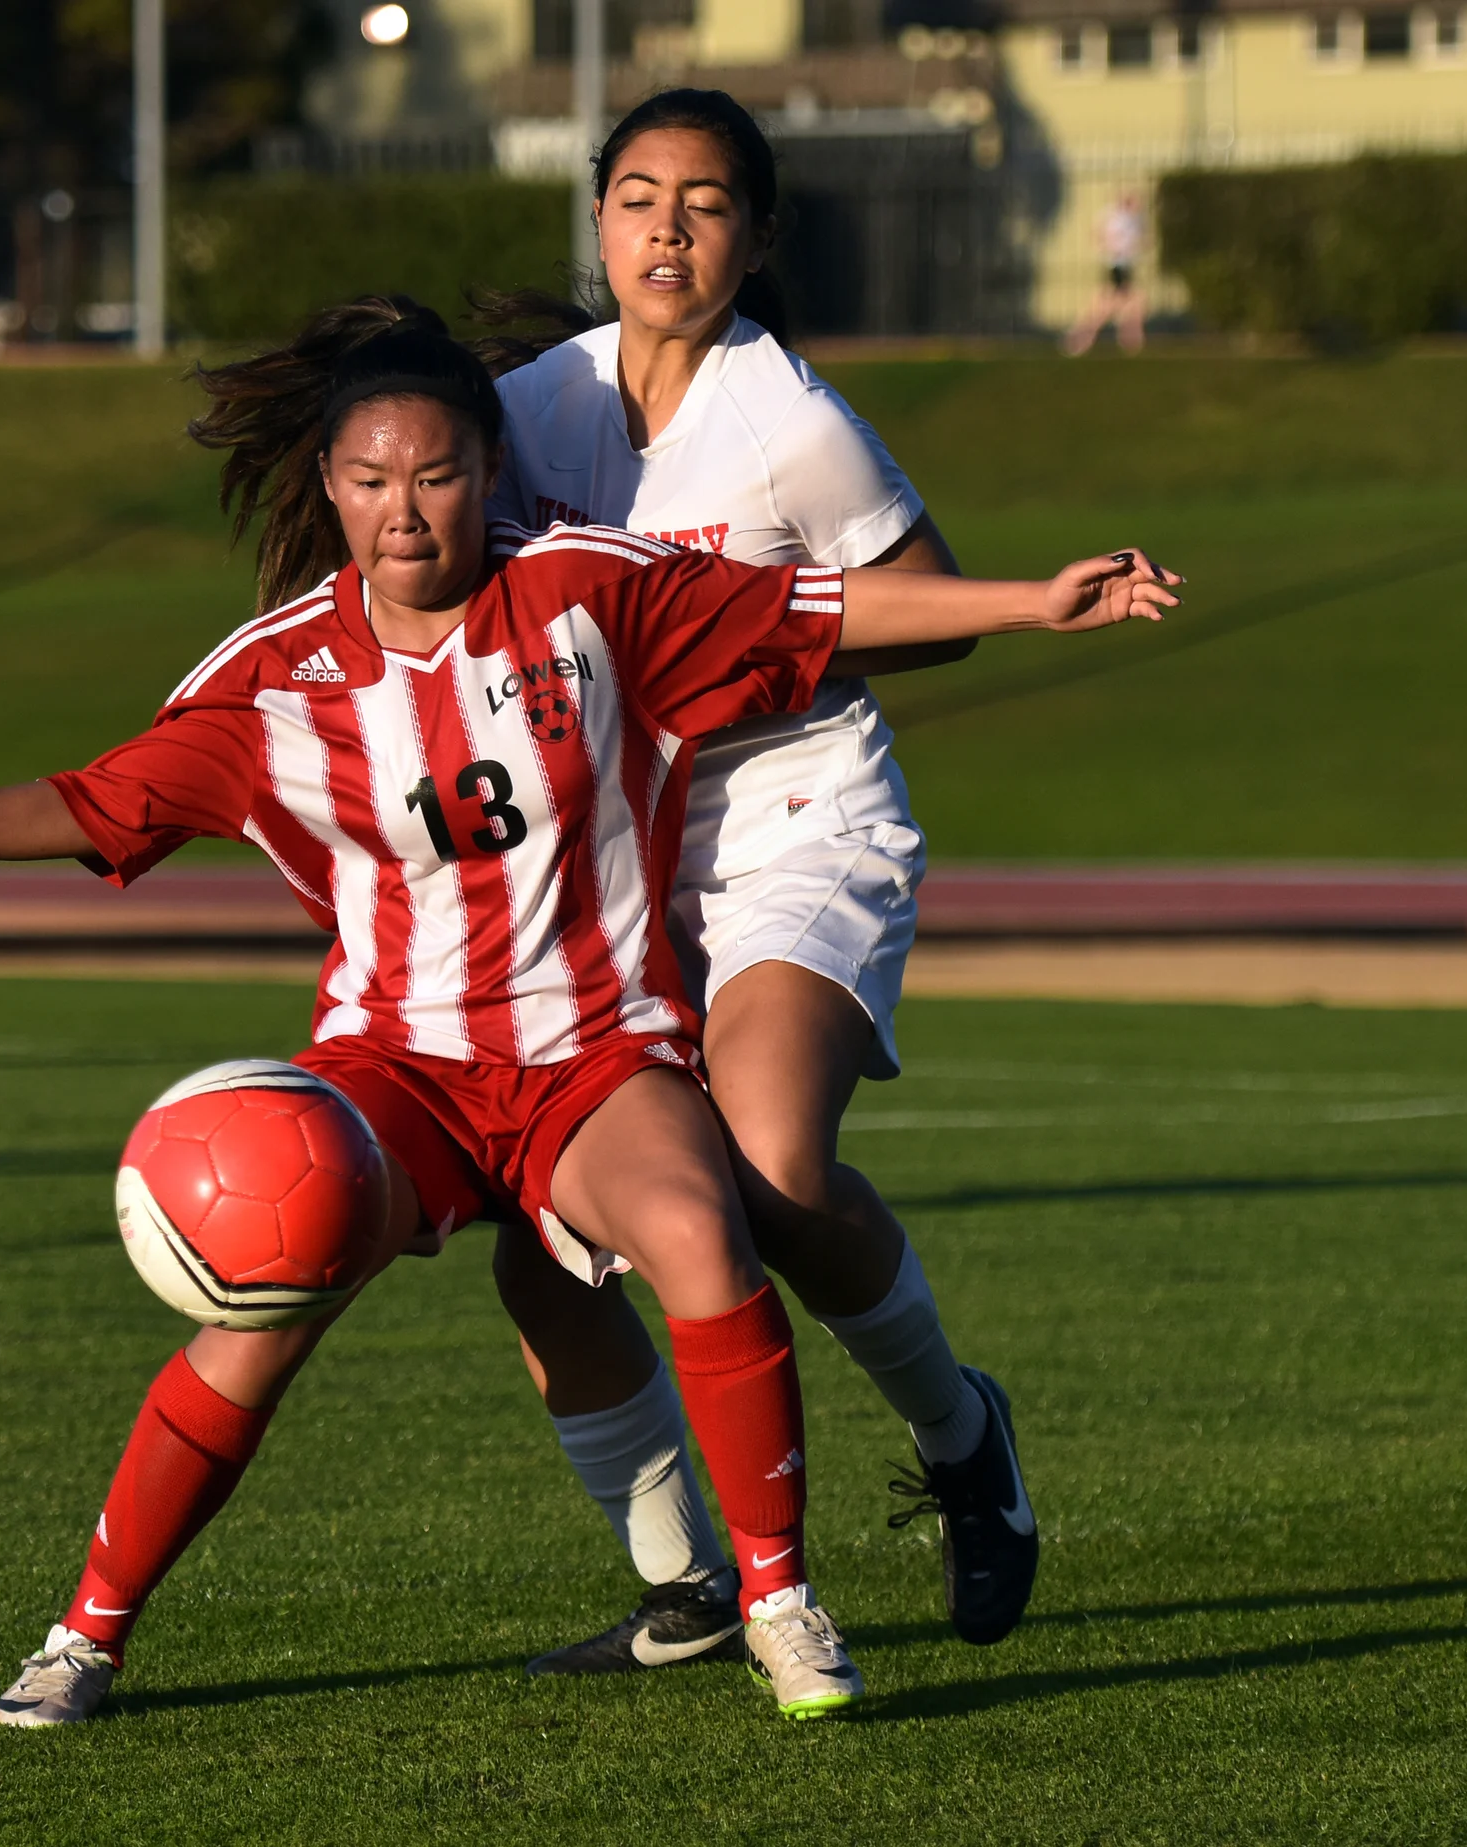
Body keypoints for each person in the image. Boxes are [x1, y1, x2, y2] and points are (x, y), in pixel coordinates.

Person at [0, 309, 1177, 1728]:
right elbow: (92, 799)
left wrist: (1028, 600)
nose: (403, 510)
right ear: (329, 487)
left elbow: (814, 609)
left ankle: (778, 1599)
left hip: (596, 1044)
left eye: (434, 475)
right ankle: (84, 1634)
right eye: (370, 481)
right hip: (395, 1066)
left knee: (698, 1225)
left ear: (490, 469)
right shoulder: (273, 676)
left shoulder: (590, 589)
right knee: (266, 1306)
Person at [468, 88, 1048, 1676]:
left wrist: (743, 665)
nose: (667, 225)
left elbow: (939, 610)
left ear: (757, 237)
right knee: (546, 1256)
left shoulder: (786, 412)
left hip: (800, 819)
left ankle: (962, 1435)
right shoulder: (526, 407)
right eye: (639, 194)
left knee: (772, 1165)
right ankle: (687, 1585)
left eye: (706, 202)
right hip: (610, 860)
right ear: (594, 223)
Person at [1064, 192, 1149, 357]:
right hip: (1116, 265)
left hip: (1123, 265)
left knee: (1127, 302)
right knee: (1110, 305)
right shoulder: (1115, 217)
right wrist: (1115, 247)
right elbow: (1102, 236)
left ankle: (1127, 338)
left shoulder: (1133, 219)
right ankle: (1084, 337)